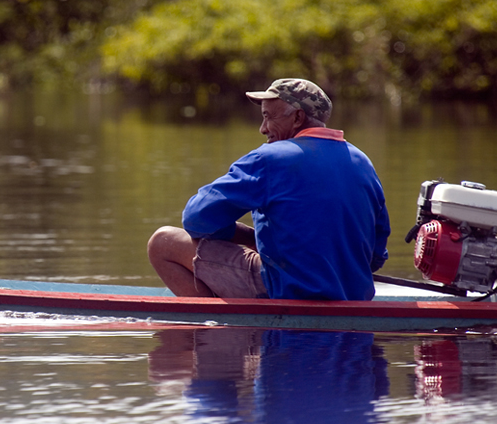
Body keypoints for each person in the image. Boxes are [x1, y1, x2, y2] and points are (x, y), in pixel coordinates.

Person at [147, 78, 389, 301]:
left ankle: (210, 334)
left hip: (285, 290)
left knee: (163, 242)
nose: (263, 128)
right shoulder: (362, 162)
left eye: (269, 117)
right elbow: (376, 257)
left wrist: (245, 238)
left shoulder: (269, 158)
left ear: (297, 118)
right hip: (354, 295)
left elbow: (196, 220)